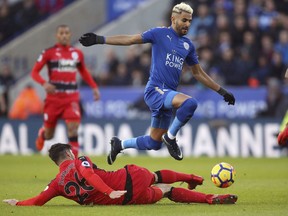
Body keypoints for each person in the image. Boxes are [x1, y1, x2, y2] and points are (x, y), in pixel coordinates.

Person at [79, 2, 235, 164]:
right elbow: (131, 39)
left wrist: (222, 91)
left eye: (190, 21)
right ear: (173, 19)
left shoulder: (188, 45)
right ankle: (171, 138)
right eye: (184, 20)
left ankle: (120, 144)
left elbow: (198, 73)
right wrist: (100, 39)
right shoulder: (159, 33)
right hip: (155, 90)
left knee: (154, 143)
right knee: (190, 104)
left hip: (167, 95)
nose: (187, 24)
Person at [3, 143, 238, 206]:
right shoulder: (80, 160)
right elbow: (88, 175)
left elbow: (38, 201)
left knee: (165, 192)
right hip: (126, 180)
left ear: (56, 162)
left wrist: (18, 203)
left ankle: (209, 198)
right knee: (156, 176)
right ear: (68, 153)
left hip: (128, 199)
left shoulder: (56, 184)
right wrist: (109, 190)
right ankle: (191, 178)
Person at [31, 24, 100, 157]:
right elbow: (34, 72)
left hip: (71, 98)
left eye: (66, 33)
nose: (64, 35)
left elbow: (83, 71)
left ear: (70, 35)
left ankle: (74, 165)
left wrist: (94, 87)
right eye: (61, 33)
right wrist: (44, 83)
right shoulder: (48, 53)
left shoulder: (77, 54)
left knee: (73, 129)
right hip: (54, 99)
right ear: (57, 35)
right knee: (49, 135)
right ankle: (42, 134)